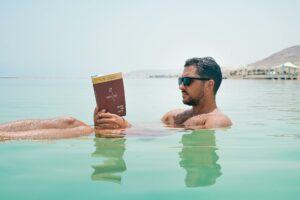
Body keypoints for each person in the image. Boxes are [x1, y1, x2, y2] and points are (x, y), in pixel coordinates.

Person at [94, 57, 232, 129]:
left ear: (209, 85)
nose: (181, 86)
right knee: (72, 123)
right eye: (181, 80)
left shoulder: (217, 121)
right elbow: (147, 131)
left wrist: (124, 126)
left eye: (187, 81)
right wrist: (107, 122)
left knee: (72, 124)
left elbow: (200, 150)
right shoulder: (172, 116)